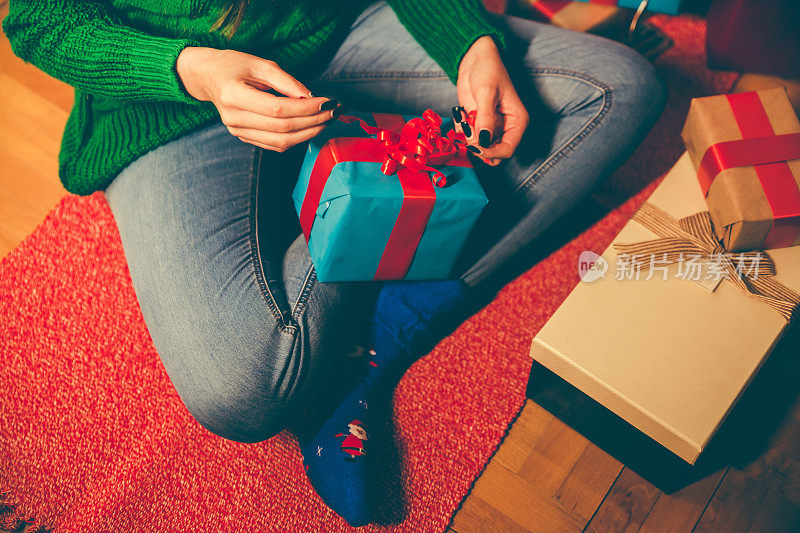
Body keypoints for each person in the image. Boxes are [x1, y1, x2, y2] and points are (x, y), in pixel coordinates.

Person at [4, 0, 666, 525]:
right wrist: (195, 70)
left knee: (620, 88)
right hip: (170, 106)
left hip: (339, 30)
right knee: (238, 390)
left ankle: (376, 336)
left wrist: (469, 39)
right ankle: (373, 220)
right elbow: (42, 19)